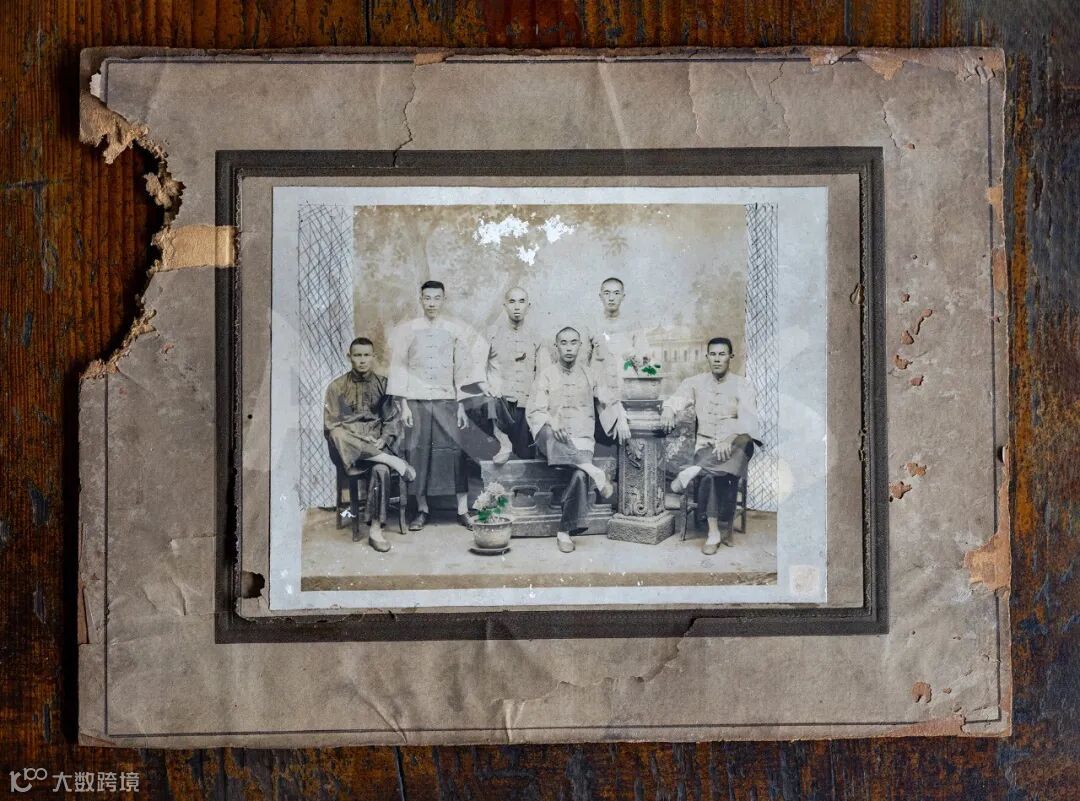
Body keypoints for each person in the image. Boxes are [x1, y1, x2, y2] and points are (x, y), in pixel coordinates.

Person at [387, 280, 485, 531]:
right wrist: (404, 406)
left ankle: (462, 510)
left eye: (436, 298)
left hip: (447, 401)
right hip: (417, 402)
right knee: (419, 454)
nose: (432, 303)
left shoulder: (453, 331)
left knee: (455, 453)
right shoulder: (407, 330)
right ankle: (423, 510)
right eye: (427, 298)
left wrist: (461, 406)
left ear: (444, 300)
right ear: (420, 299)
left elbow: (461, 369)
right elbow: (399, 367)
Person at [526, 326, 631, 553]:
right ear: (556, 346)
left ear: (580, 346)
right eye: (563, 343)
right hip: (552, 440)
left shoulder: (590, 374)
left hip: (581, 440)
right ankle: (593, 470)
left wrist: (621, 417)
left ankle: (564, 531)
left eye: (573, 342)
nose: (569, 348)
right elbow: (535, 411)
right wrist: (552, 421)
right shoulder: (546, 375)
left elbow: (609, 399)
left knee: (580, 475)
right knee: (548, 431)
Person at [660, 336, 760, 554]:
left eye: (722, 354)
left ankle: (694, 470)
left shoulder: (743, 385)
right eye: (712, 354)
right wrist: (668, 409)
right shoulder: (695, 382)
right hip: (707, 446)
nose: (717, 359)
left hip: (736, 445)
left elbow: (749, 422)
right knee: (712, 476)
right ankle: (714, 532)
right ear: (707, 357)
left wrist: (728, 439)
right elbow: (678, 398)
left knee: (744, 441)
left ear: (730, 357)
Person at [324, 337, 416, 552]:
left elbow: (391, 420)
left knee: (381, 470)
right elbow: (331, 424)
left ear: (373, 357)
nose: (362, 360)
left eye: (366, 355)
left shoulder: (383, 384)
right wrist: (358, 438)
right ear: (349, 357)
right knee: (336, 433)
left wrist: (383, 439)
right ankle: (389, 459)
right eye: (357, 355)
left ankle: (375, 530)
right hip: (349, 452)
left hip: (376, 442)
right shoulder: (336, 386)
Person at [478, 286, 551, 463]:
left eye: (521, 301)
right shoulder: (491, 334)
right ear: (505, 306)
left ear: (528, 306)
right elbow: (476, 367)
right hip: (498, 405)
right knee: (488, 402)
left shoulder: (537, 337)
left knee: (525, 457)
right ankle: (502, 441)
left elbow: (545, 374)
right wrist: (486, 386)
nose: (517, 307)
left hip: (526, 405)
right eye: (512, 302)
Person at [587, 276, 655, 396]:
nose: (611, 298)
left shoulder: (633, 325)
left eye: (616, 293)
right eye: (607, 293)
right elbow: (584, 361)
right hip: (600, 389)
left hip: (627, 387)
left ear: (623, 296)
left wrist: (635, 356)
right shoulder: (592, 324)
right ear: (600, 296)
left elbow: (645, 359)